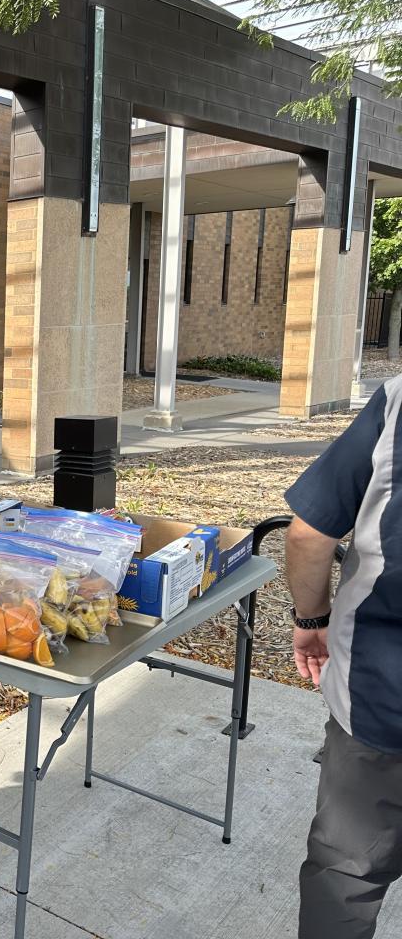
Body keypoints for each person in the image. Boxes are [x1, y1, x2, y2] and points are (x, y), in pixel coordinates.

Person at [284, 374, 402, 939]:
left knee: (345, 878)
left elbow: (308, 535)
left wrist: (311, 620)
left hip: (381, 695)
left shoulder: (399, 400)